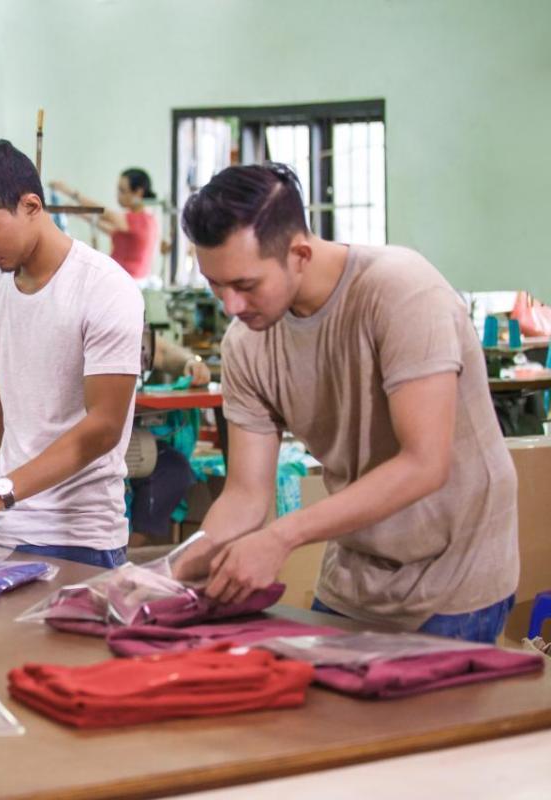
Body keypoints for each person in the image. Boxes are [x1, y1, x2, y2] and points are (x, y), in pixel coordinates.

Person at [172, 162, 518, 643]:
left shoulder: (401, 292)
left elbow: (424, 463)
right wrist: (182, 566)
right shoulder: (246, 343)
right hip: (355, 574)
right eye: (216, 284)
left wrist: (280, 537)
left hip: (453, 577)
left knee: (418, 720)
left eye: (245, 285)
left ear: (299, 253)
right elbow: (247, 494)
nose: (230, 305)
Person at [0, 138, 144, 568]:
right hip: (0, 533)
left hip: (78, 539)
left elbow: (104, 427)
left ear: (31, 206)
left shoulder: (104, 288)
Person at [129, 336, 212, 541]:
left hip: (122, 432)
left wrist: (190, 363)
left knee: (172, 469)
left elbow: (161, 351)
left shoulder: (122, 318)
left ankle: (127, 553)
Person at [51, 168, 161, 284]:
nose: (118, 196)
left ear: (138, 192)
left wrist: (70, 192)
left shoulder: (140, 220)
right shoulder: (146, 220)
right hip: (125, 280)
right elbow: (112, 231)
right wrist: (80, 213)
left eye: (122, 191)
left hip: (126, 282)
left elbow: (104, 213)